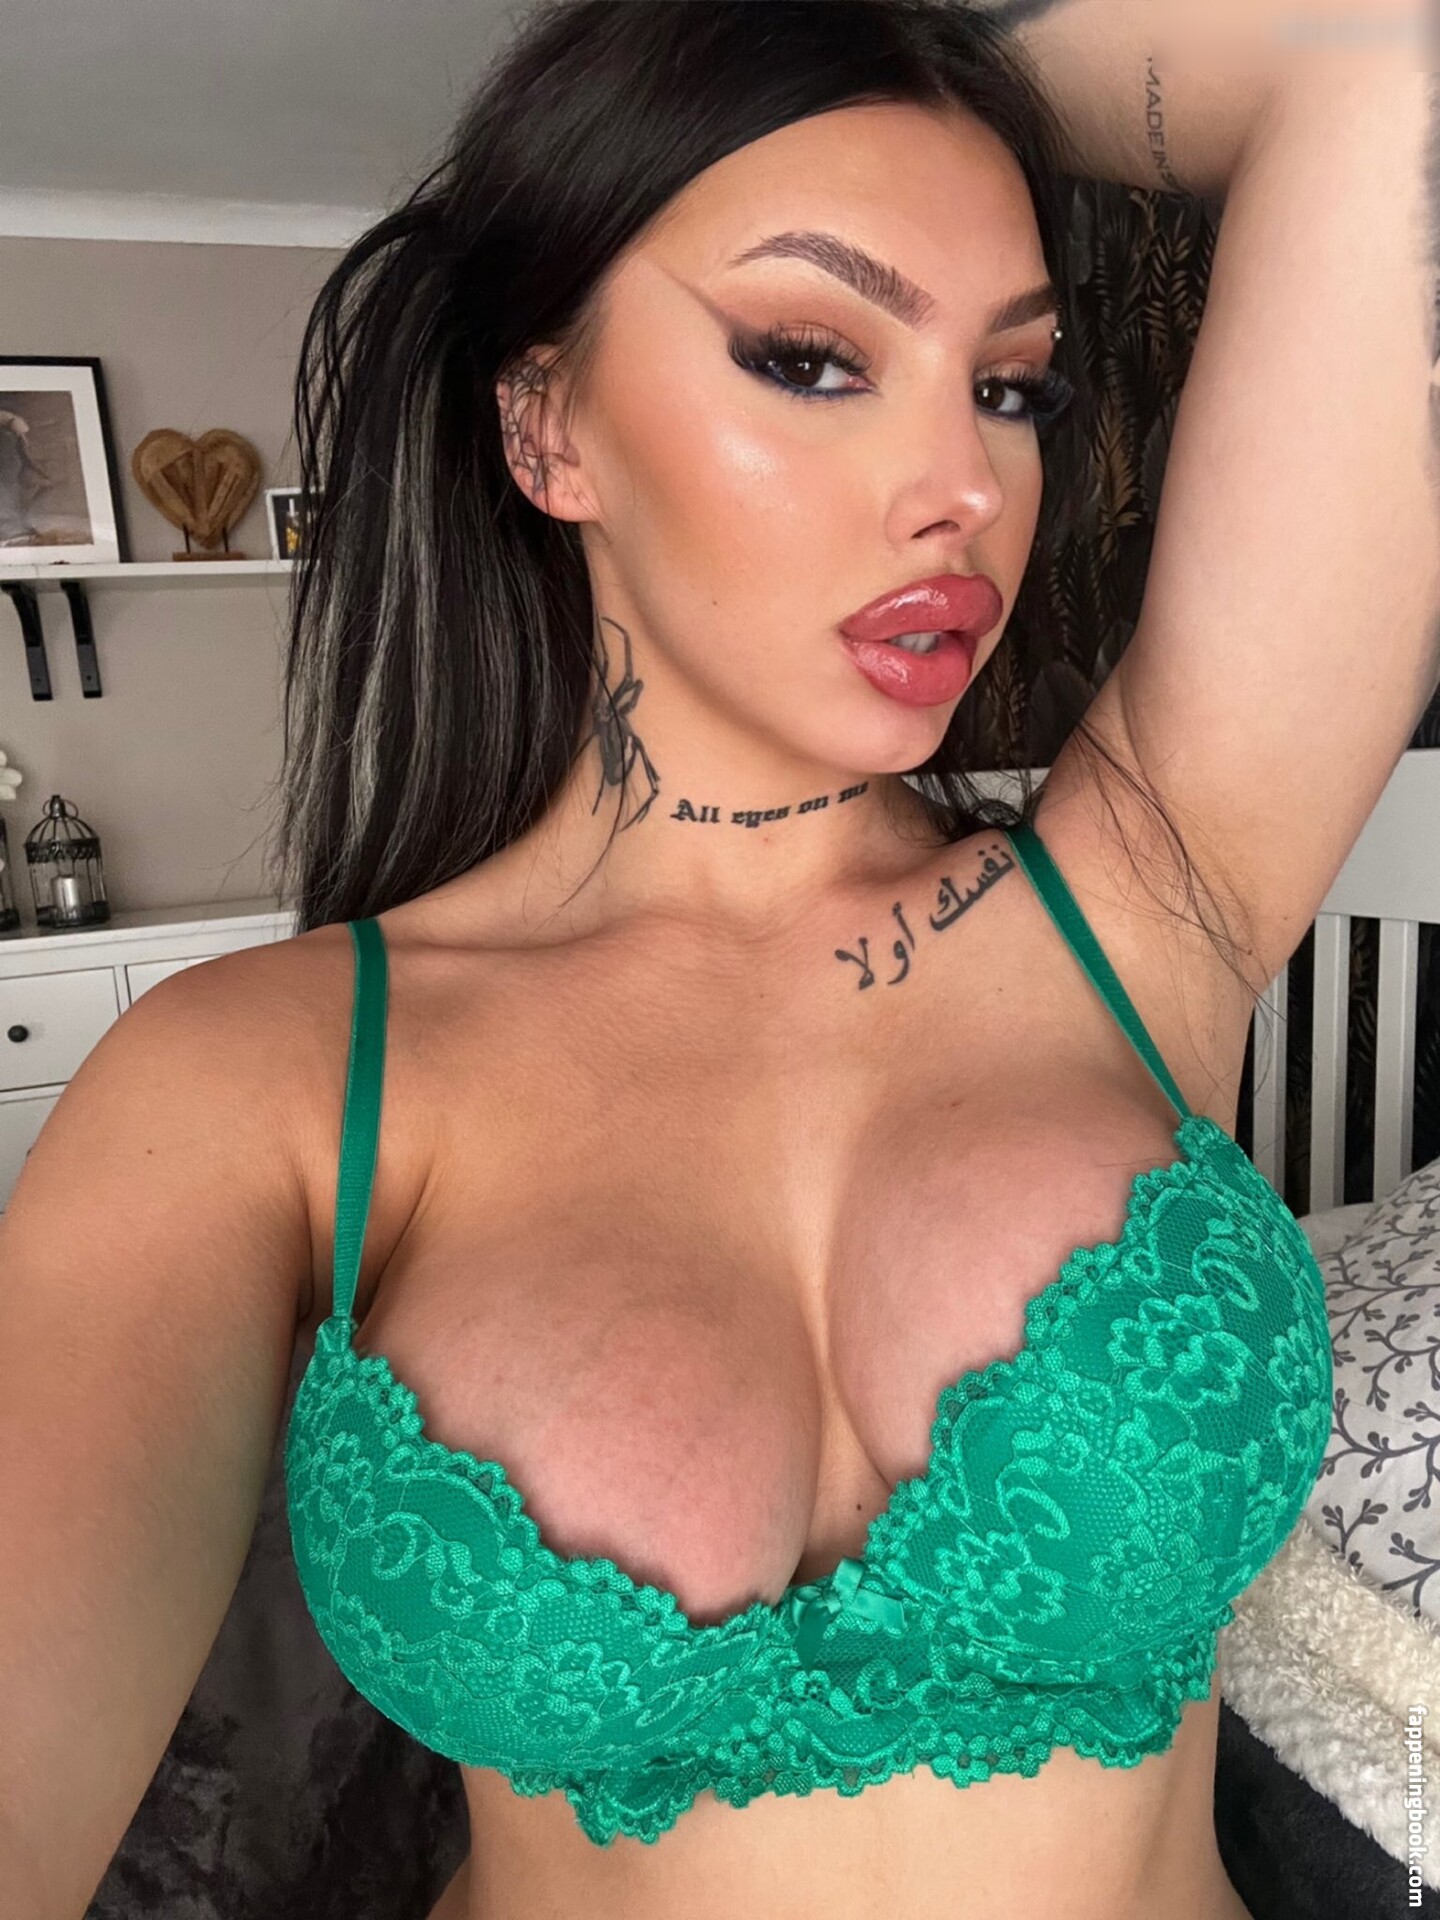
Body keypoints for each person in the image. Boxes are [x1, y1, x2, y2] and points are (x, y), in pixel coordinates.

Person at [2, 3, 1434, 1919]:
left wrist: (898, 46)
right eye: (812, 356)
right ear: (548, 423)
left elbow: (1381, 54)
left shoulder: (1143, 903)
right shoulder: (260, 1082)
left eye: (1012, 385)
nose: (965, 485)